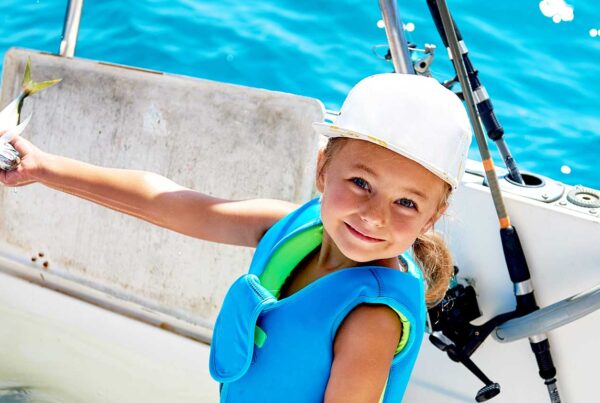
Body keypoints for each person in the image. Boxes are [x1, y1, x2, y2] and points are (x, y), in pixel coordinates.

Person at [0, 73, 471, 402]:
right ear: (324, 168)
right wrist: (43, 168)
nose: (374, 216)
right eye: (361, 184)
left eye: (406, 203)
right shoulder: (294, 229)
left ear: (433, 216)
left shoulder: (371, 319)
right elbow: (164, 202)